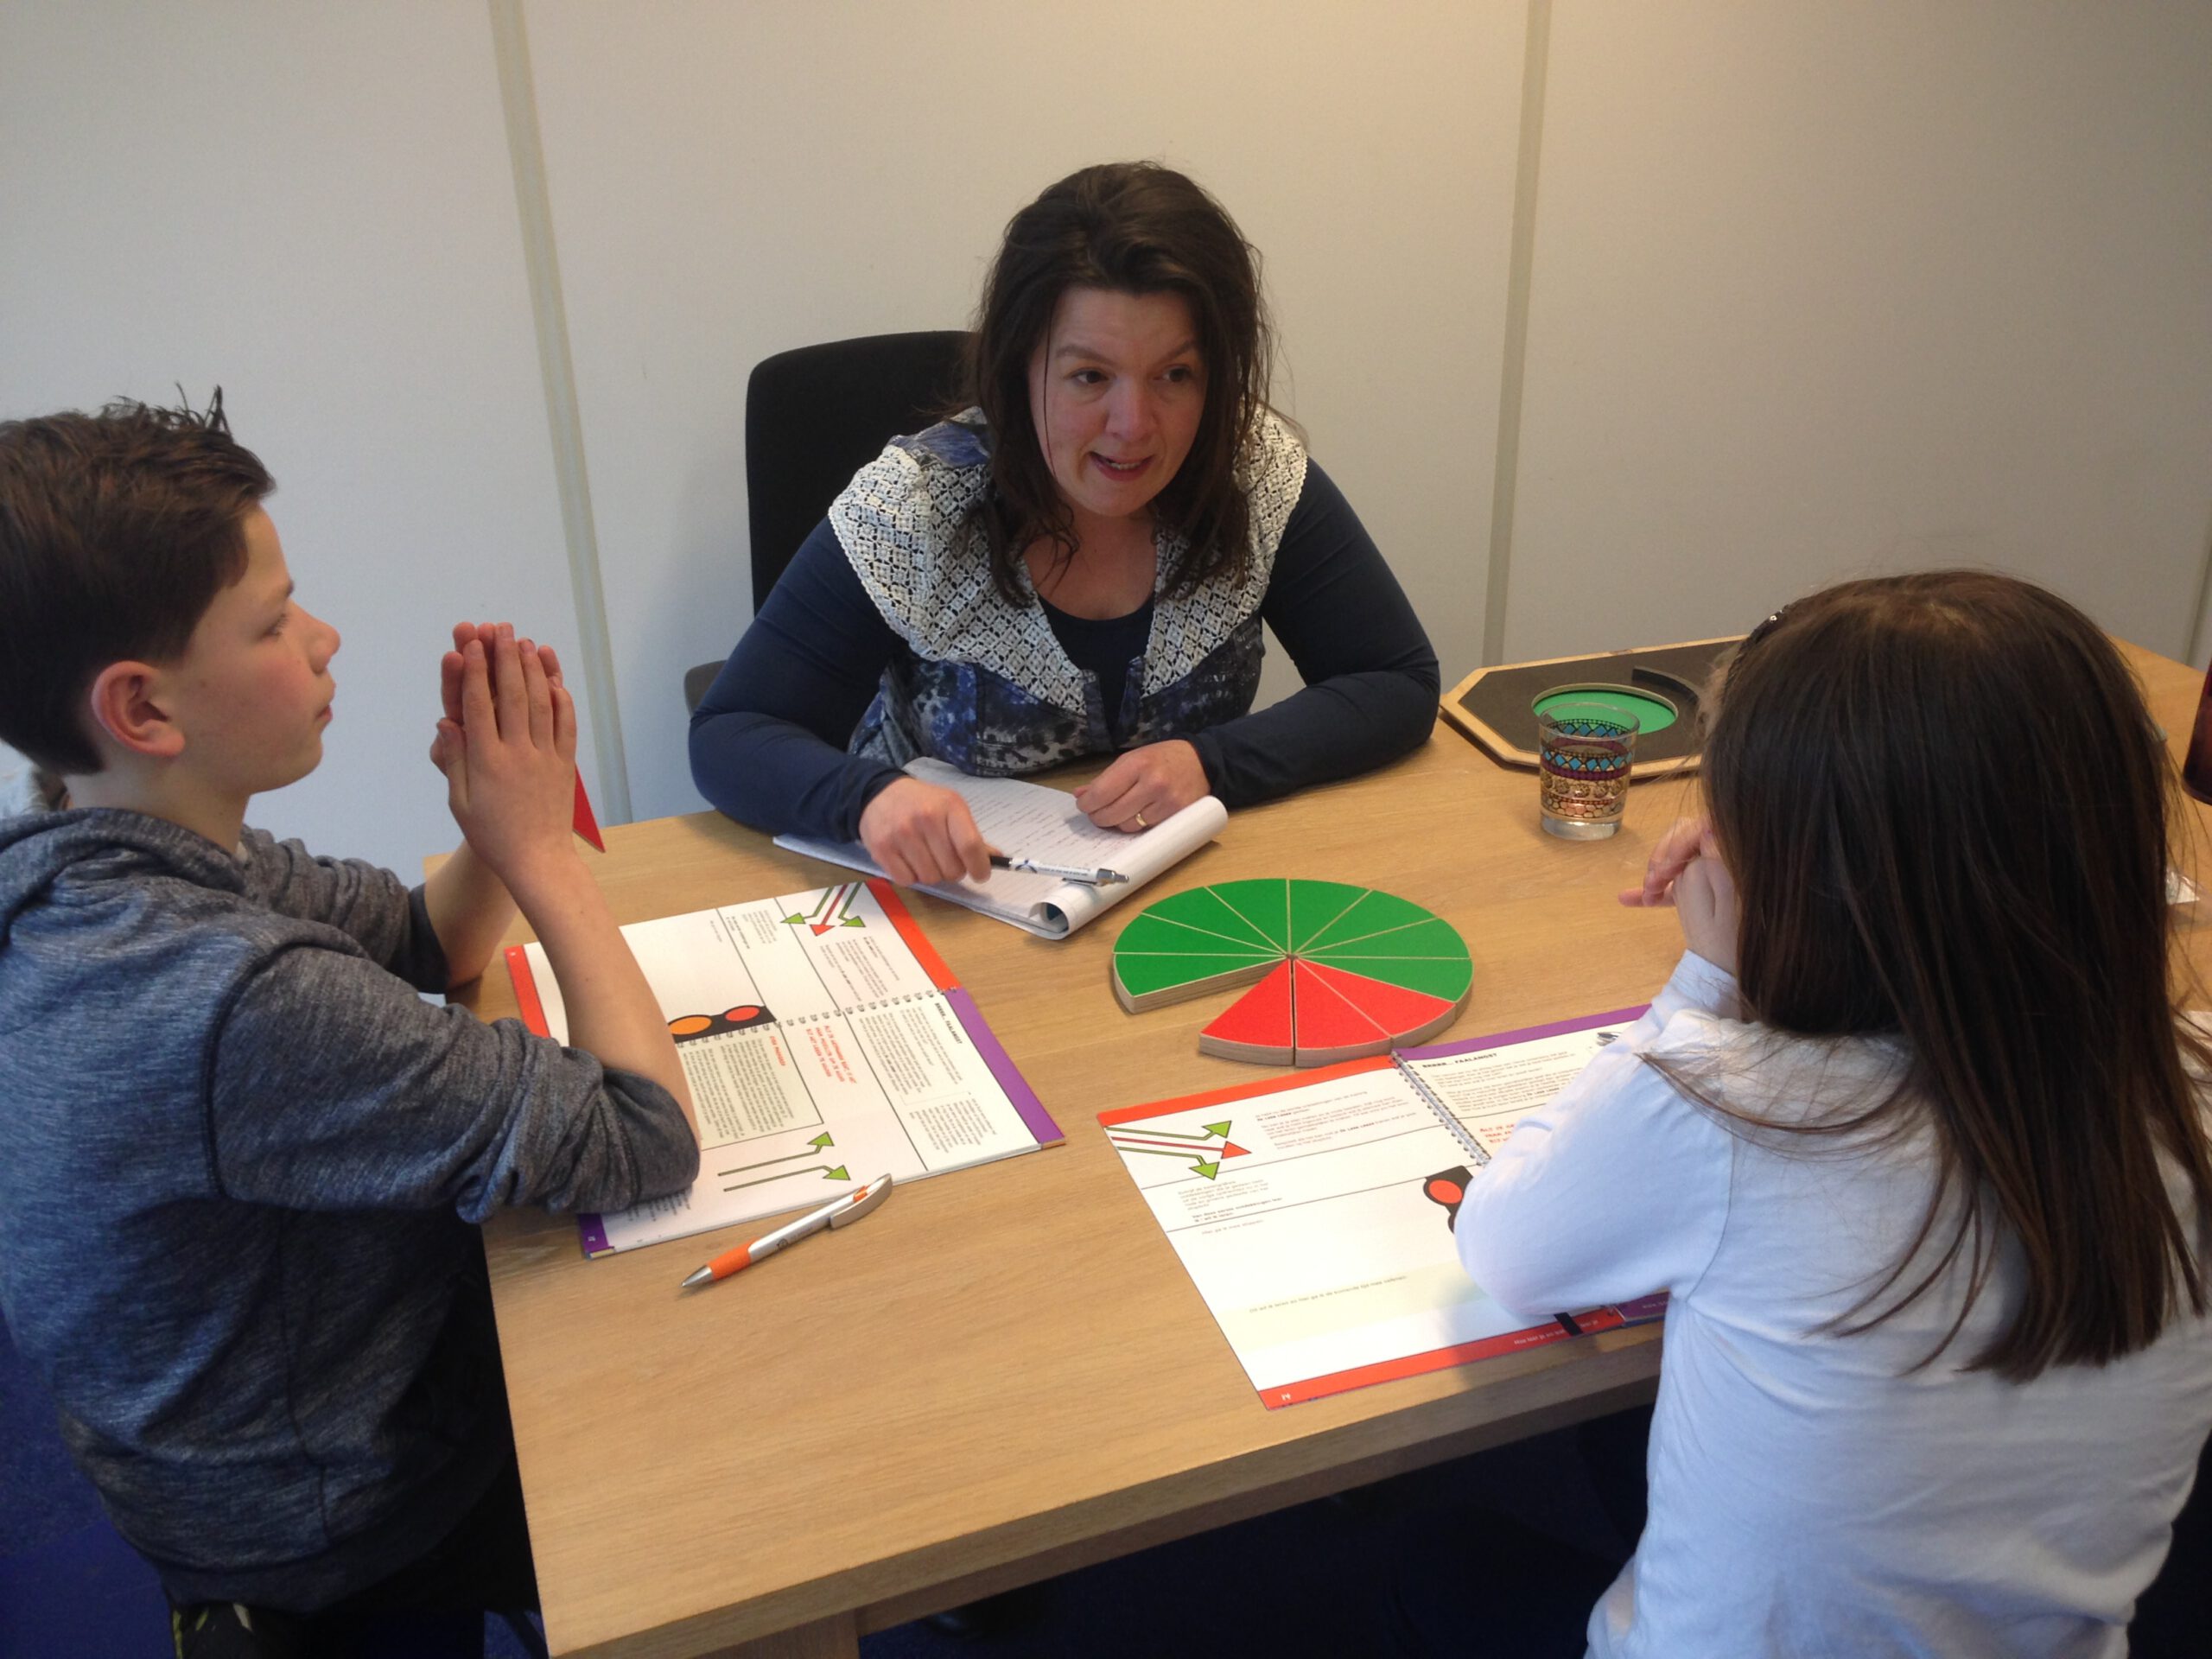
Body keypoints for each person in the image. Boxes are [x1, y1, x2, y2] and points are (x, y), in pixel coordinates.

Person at [0, 397, 701, 1656]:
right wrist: (547, 853)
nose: (323, 638)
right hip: (344, 1521)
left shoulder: (103, 850)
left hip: (259, 1434)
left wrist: (495, 821)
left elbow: (429, 942)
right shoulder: (230, 995)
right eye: (274, 623)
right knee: (734, 1453)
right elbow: (646, 1134)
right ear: (143, 709)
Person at [1445, 572, 2212, 1657]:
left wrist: (1706, 989)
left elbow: (1504, 1249)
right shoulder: (2185, 1089)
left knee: (1440, 1558)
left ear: (1797, 879)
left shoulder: (1737, 1106)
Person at [689, 162, 1439, 886]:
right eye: (1090, 376)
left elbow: (1395, 680)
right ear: (1022, 370)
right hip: (949, 899)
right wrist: (868, 800)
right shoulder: (916, 506)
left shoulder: (1251, 473)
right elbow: (732, 730)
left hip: (1181, 894)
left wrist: (1212, 763)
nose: (1133, 425)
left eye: (1175, 375)